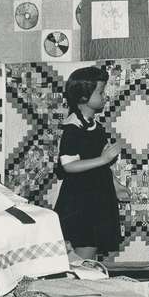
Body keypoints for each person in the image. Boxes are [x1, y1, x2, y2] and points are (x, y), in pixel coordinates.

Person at [54, 66, 128, 262]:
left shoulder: (95, 127)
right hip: (81, 198)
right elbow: (68, 165)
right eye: (100, 92)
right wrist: (103, 159)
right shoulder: (72, 128)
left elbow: (103, 165)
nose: (105, 96)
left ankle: (82, 277)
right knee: (85, 248)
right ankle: (75, 279)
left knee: (91, 248)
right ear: (83, 97)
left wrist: (116, 186)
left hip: (98, 196)